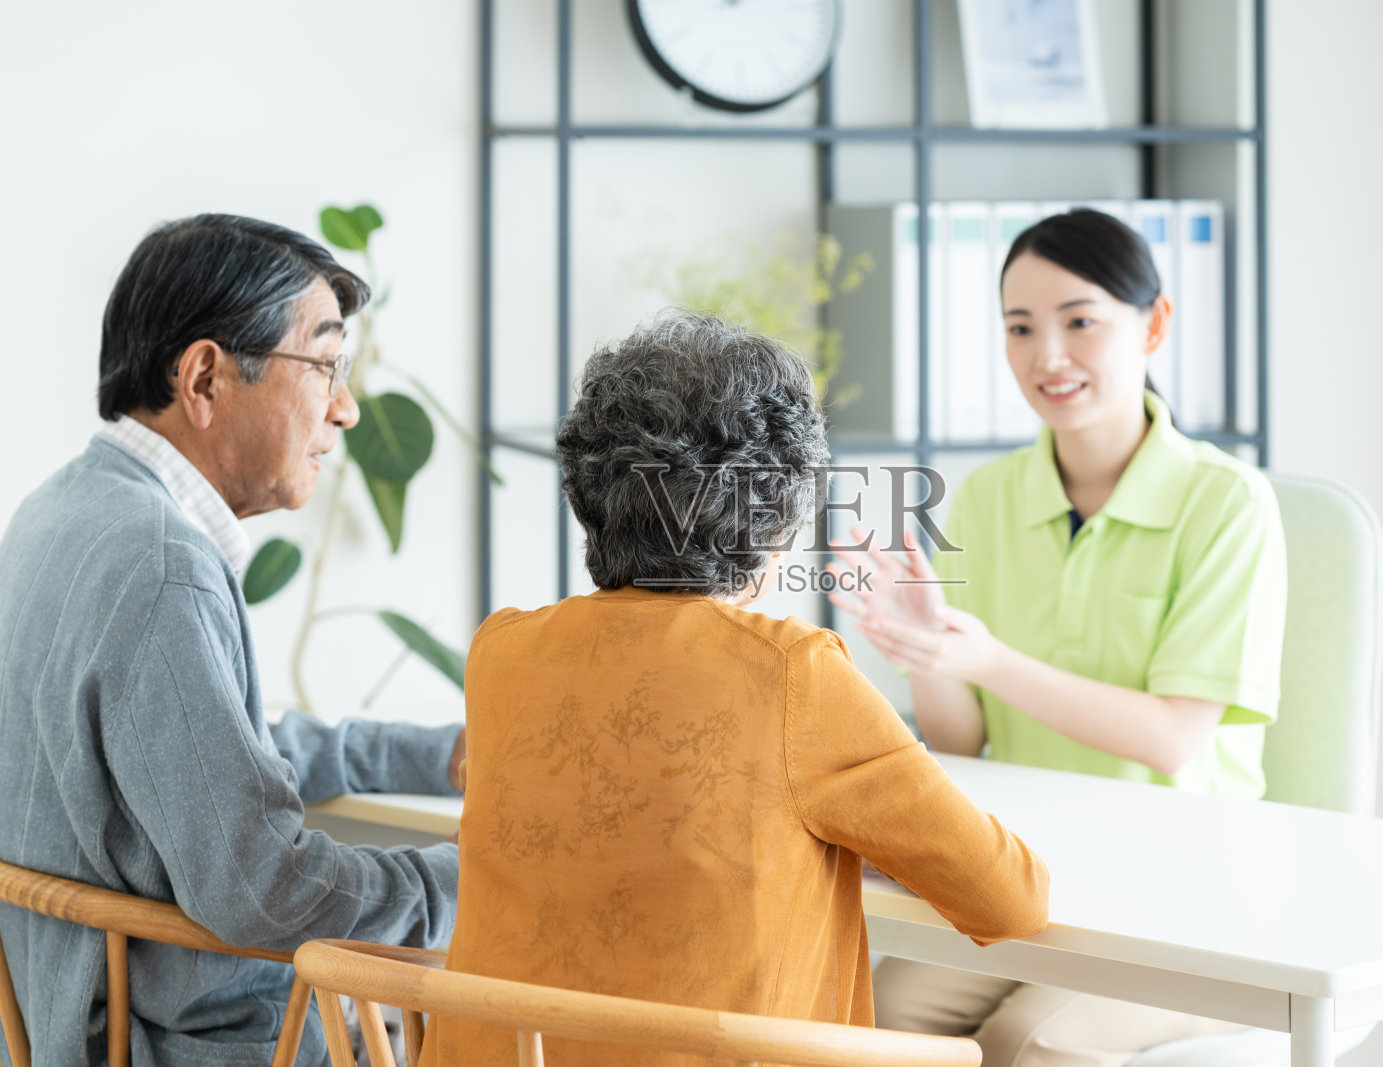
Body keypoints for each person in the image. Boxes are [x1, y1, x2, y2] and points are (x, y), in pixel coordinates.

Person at [419, 310, 1050, 1066]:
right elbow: (1009, 898)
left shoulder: (503, 652)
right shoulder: (793, 671)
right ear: (776, 517)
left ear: (589, 495)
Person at [0, 215, 466, 1067]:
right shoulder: (161, 562)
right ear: (206, 377)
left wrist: (438, 756)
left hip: (56, 1020)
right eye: (325, 363)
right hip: (176, 1045)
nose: (347, 407)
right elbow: (265, 886)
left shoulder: (62, 510)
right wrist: (473, 875)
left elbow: (197, 751)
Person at [829, 208, 1288, 1067]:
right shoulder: (988, 496)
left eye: (1081, 321)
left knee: (1034, 1042)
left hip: (1185, 892)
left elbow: (1173, 735)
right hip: (1029, 881)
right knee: (868, 1022)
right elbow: (967, 740)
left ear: (1152, 324)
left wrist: (988, 657)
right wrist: (928, 653)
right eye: (1021, 328)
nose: (1049, 357)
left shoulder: (1227, 504)